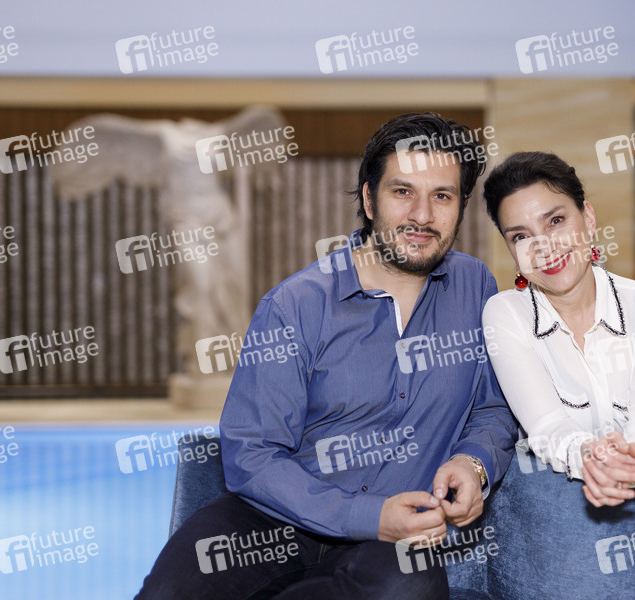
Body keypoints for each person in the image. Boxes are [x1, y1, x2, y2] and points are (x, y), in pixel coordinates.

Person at [136, 113, 517, 599]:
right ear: (369, 199)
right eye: (402, 192)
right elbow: (253, 454)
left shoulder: (475, 286)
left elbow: (492, 407)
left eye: (442, 196)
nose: (422, 215)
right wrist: (366, 515)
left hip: (391, 537)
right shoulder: (294, 305)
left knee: (406, 589)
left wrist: (473, 463)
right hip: (271, 518)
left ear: (461, 206)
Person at [481, 151, 635, 508]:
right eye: (521, 236)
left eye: (555, 221)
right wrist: (590, 457)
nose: (544, 247)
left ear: (588, 218)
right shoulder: (505, 314)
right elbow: (547, 427)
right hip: (551, 501)